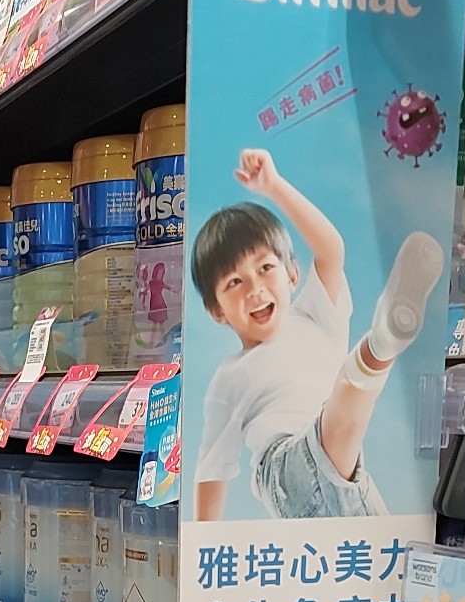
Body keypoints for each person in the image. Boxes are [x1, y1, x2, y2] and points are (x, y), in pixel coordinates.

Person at [190, 149, 443, 520]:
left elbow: (331, 248)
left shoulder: (315, 316)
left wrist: (274, 186)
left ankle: (383, 342)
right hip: (285, 470)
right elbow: (212, 471)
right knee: (344, 405)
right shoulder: (230, 375)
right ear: (216, 310)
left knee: (377, 536)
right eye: (234, 282)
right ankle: (381, 345)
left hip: (347, 468)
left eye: (265, 268)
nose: (255, 289)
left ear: (293, 274)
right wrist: (204, 543)